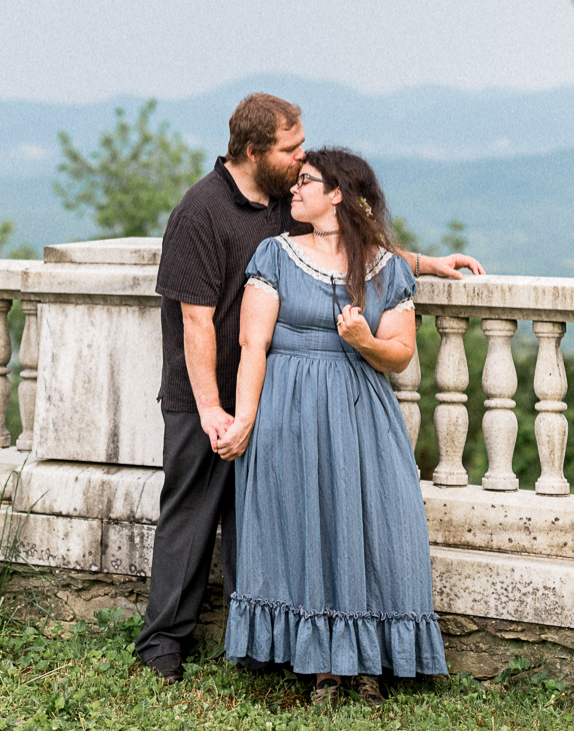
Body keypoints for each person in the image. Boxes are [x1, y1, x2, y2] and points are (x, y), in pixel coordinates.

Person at [135, 98, 484, 683]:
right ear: (253, 152)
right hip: (207, 391)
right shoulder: (200, 213)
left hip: (271, 391)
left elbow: (342, 246)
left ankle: (269, 648)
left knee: (262, 520)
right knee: (192, 517)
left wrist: (425, 262)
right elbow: (194, 324)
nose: (299, 159)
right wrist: (214, 411)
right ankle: (162, 646)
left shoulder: (279, 205)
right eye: (290, 150)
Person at [219, 148, 453, 706]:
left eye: (306, 182)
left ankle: (367, 658)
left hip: (360, 409)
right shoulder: (273, 254)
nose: (292, 191)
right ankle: (323, 664)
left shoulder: (387, 268)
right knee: (305, 525)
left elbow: (399, 354)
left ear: (338, 195)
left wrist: (365, 342)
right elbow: (254, 345)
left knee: (372, 526)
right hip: (289, 408)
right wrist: (245, 419)